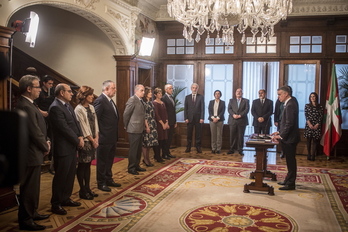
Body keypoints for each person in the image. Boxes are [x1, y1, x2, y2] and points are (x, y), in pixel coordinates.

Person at [16, 75, 50, 231]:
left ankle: (32, 212)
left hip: (35, 151)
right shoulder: (25, 106)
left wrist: (46, 141)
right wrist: (45, 146)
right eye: (37, 87)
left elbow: (40, 127)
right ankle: (26, 219)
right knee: (28, 188)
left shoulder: (30, 104)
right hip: (30, 153)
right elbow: (34, 132)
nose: (39, 90)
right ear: (29, 89)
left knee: (34, 187)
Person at [49, 83, 84, 215]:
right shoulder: (55, 108)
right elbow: (64, 129)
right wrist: (77, 140)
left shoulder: (67, 105)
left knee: (70, 175)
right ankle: (56, 203)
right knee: (61, 177)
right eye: (69, 91)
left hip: (71, 146)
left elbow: (75, 123)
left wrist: (80, 135)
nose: (72, 93)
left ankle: (65, 198)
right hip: (63, 148)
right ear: (61, 93)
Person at [94, 80, 121, 192]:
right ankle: (101, 182)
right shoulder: (100, 101)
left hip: (112, 137)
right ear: (106, 89)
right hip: (104, 137)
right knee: (102, 162)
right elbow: (95, 119)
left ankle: (108, 179)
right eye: (113, 88)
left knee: (110, 160)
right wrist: (98, 136)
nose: (115, 90)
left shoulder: (109, 101)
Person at [272, 86, 300, 190]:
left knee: (291, 161)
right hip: (288, 137)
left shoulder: (290, 104)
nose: (278, 97)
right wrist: (279, 131)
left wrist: (281, 135)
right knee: (289, 160)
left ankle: (291, 184)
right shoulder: (290, 102)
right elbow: (285, 123)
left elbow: (289, 123)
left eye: (279, 94)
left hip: (290, 138)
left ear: (286, 94)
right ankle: (288, 180)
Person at [74, 86, 99, 200]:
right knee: (82, 166)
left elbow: (95, 123)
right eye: (89, 95)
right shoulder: (78, 109)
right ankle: (82, 190)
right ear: (84, 96)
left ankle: (88, 188)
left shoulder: (92, 107)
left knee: (88, 165)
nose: (92, 96)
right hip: (85, 141)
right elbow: (83, 126)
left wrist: (97, 137)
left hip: (93, 140)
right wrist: (92, 139)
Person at [123, 84, 147, 175]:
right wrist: (126, 125)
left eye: (144, 90)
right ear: (136, 91)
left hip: (140, 128)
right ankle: (131, 167)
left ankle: (137, 165)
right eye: (142, 90)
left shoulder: (141, 100)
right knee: (133, 149)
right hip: (133, 128)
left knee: (138, 149)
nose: (143, 92)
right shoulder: (132, 99)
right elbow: (126, 114)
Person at [34, 75, 55, 174]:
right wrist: (42, 112)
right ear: (44, 83)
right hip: (41, 115)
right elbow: (35, 105)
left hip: (50, 115)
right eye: (49, 83)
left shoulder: (52, 92)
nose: (51, 85)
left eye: (52, 84)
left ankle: (51, 155)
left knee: (51, 133)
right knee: (43, 133)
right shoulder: (40, 92)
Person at [227, 88, 249, 156]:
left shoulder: (246, 101)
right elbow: (229, 109)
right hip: (233, 120)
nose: (238, 92)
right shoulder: (231, 100)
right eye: (237, 91)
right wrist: (233, 115)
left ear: (242, 93)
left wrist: (240, 115)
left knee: (240, 136)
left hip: (242, 120)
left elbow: (246, 110)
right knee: (232, 136)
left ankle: (240, 149)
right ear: (235, 93)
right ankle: (231, 149)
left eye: (240, 91)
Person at [184, 83, 204, 153]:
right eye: (193, 88)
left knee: (198, 134)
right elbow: (185, 108)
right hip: (189, 119)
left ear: (197, 89)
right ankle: (188, 147)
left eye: (196, 88)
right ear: (191, 88)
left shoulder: (201, 97)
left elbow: (202, 108)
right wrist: (186, 118)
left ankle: (198, 147)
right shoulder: (187, 97)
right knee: (189, 134)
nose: (194, 89)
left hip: (198, 119)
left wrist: (202, 118)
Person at [142, 87, 160, 166]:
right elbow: (144, 116)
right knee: (146, 143)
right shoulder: (144, 103)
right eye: (149, 92)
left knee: (150, 143)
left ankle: (147, 158)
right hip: (147, 124)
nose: (151, 93)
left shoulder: (150, 102)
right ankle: (145, 159)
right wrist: (147, 126)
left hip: (152, 123)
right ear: (146, 93)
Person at [304, 92, 323, 161]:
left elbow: (321, 116)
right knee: (309, 140)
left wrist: (317, 124)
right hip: (309, 125)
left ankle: (313, 155)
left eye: (314, 96)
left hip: (317, 125)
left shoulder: (320, 106)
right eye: (311, 96)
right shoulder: (307, 106)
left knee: (315, 141)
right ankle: (308, 154)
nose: (312, 98)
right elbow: (306, 115)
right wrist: (309, 124)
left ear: (316, 97)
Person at [153, 88, 170, 160]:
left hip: (164, 123)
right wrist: (162, 124)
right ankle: (157, 156)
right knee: (159, 140)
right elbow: (157, 115)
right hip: (159, 124)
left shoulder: (163, 103)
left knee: (164, 140)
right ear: (155, 95)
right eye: (159, 93)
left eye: (161, 93)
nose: (160, 94)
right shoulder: (154, 103)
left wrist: (166, 122)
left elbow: (166, 113)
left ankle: (164, 154)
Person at [162, 84, 177, 159]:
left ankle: (168, 152)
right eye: (170, 88)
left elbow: (173, 111)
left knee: (170, 138)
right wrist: (166, 122)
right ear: (166, 90)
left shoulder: (172, 98)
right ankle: (164, 153)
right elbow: (164, 112)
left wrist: (175, 121)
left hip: (172, 121)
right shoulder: (164, 98)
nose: (172, 90)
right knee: (166, 138)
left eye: (172, 88)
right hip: (167, 122)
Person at [208, 90, 225, 154]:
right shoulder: (211, 102)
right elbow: (209, 111)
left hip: (220, 120)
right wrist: (213, 118)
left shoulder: (223, 102)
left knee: (219, 135)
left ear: (220, 95)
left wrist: (217, 118)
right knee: (213, 135)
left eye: (218, 94)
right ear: (214, 95)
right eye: (216, 94)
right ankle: (213, 148)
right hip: (212, 120)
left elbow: (222, 111)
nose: (217, 95)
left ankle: (218, 149)